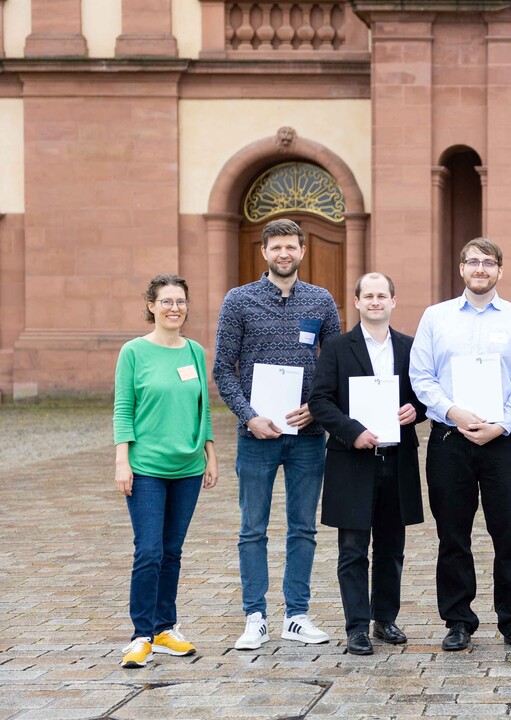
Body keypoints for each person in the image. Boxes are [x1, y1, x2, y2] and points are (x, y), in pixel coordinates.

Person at [409, 238, 511, 652]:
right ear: (461, 268)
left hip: (501, 442)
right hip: (450, 439)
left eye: (488, 263)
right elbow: (422, 375)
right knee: (453, 534)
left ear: (500, 270)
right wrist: (454, 412)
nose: (480, 268)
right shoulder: (436, 317)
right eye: (473, 262)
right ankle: (458, 620)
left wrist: (501, 425)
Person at [214, 218, 341, 650]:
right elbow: (222, 369)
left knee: (303, 528)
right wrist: (249, 416)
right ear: (264, 252)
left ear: (303, 251)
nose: (284, 254)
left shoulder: (321, 301)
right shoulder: (240, 300)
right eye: (276, 247)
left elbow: (335, 367)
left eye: (291, 247)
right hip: (257, 435)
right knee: (253, 528)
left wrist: (319, 411)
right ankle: (255, 616)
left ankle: (296, 615)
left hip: (307, 435)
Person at [309, 272, 428, 655]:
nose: (375, 302)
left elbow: (426, 395)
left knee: (392, 547)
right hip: (352, 460)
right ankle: (357, 627)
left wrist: (418, 410)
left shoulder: (410, 348)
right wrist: (352, 430)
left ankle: (385, 619)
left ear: (394, 301)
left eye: (382, 296)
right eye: (368, 296)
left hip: (397, 459)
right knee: (353, 550)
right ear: (357, 302)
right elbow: (320, 401)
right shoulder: (338, 348)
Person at [114, 274, 218, 668]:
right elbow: (123, 408)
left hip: (188, 466)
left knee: (172, 551)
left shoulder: (193, 350)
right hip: (146, 468)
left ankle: (164, 629)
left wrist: (211, 453)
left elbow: (202, 407)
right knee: (149, 551)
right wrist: (121, 460)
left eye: (181, 301)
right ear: (152, 306)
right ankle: (141, 635)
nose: (175, 307)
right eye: (167, 301)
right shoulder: (134, 352)